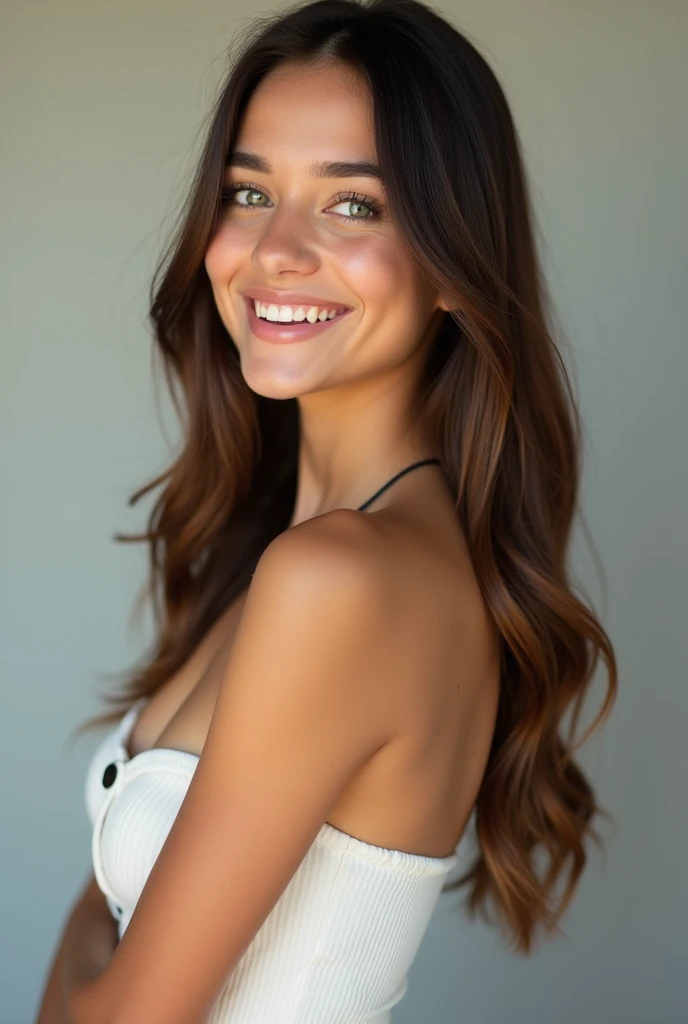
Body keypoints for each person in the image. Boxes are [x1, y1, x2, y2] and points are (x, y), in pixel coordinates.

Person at [35, 1, 618, 1021]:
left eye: (353, 205)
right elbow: (107, 928)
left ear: (453, 259)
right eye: (248, 191)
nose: (276, 250)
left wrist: (91, 963)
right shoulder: (306, 553)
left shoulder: (339, 579)